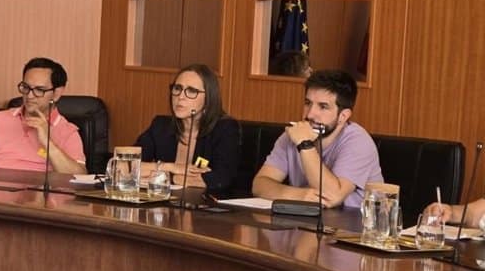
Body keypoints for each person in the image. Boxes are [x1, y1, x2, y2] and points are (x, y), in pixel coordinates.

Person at [252, 69, 382, 208]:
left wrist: (305, 144)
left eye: (323, 107)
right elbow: (259, 185)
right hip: (306, 218)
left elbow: (331, 197)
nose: (310, 114)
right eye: (308, 103)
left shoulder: (359, 142)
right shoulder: (294, 134)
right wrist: (300, 195)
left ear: (343, 116)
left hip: (353, 220)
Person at [0, 57, 85, 174]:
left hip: (35, 193)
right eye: (26, 87)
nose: (29, 96)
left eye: (39, 90)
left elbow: (78, 177)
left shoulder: (67, 131)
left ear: (57, 93)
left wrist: (47, 142)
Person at [134, 64, 240, 195]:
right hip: (162, 204)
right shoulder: (161, 126)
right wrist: (171, 167)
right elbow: (125, 165)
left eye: (191, 91)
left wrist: (166, 177)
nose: (180, 97)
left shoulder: (225, 129)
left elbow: (221, 179)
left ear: (209, 98)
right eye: (177, 88)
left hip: (203, 205)